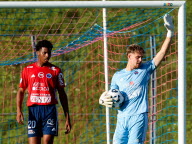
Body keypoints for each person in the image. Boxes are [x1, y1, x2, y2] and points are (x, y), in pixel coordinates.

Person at [99, 14, 174, 144]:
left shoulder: (145, 69)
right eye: (137, 57)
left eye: (141, 57)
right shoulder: (117, 75)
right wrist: (104, 98)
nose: (140, 60)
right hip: (122, 117)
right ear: (129, 56)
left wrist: (170, 33)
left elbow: (161, 53)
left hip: (138, 117)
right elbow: (113, 95)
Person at [16, 40, 71, 144]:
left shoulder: (56, 70)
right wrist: (19, 110)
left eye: (49, 53)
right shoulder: (27, 70)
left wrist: (67, 117)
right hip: (34, 111)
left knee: (47, 141)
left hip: (49, 110)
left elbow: (62, 94)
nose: (47, 55)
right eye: (44, 53)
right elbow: (21, 91)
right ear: (37, 52)